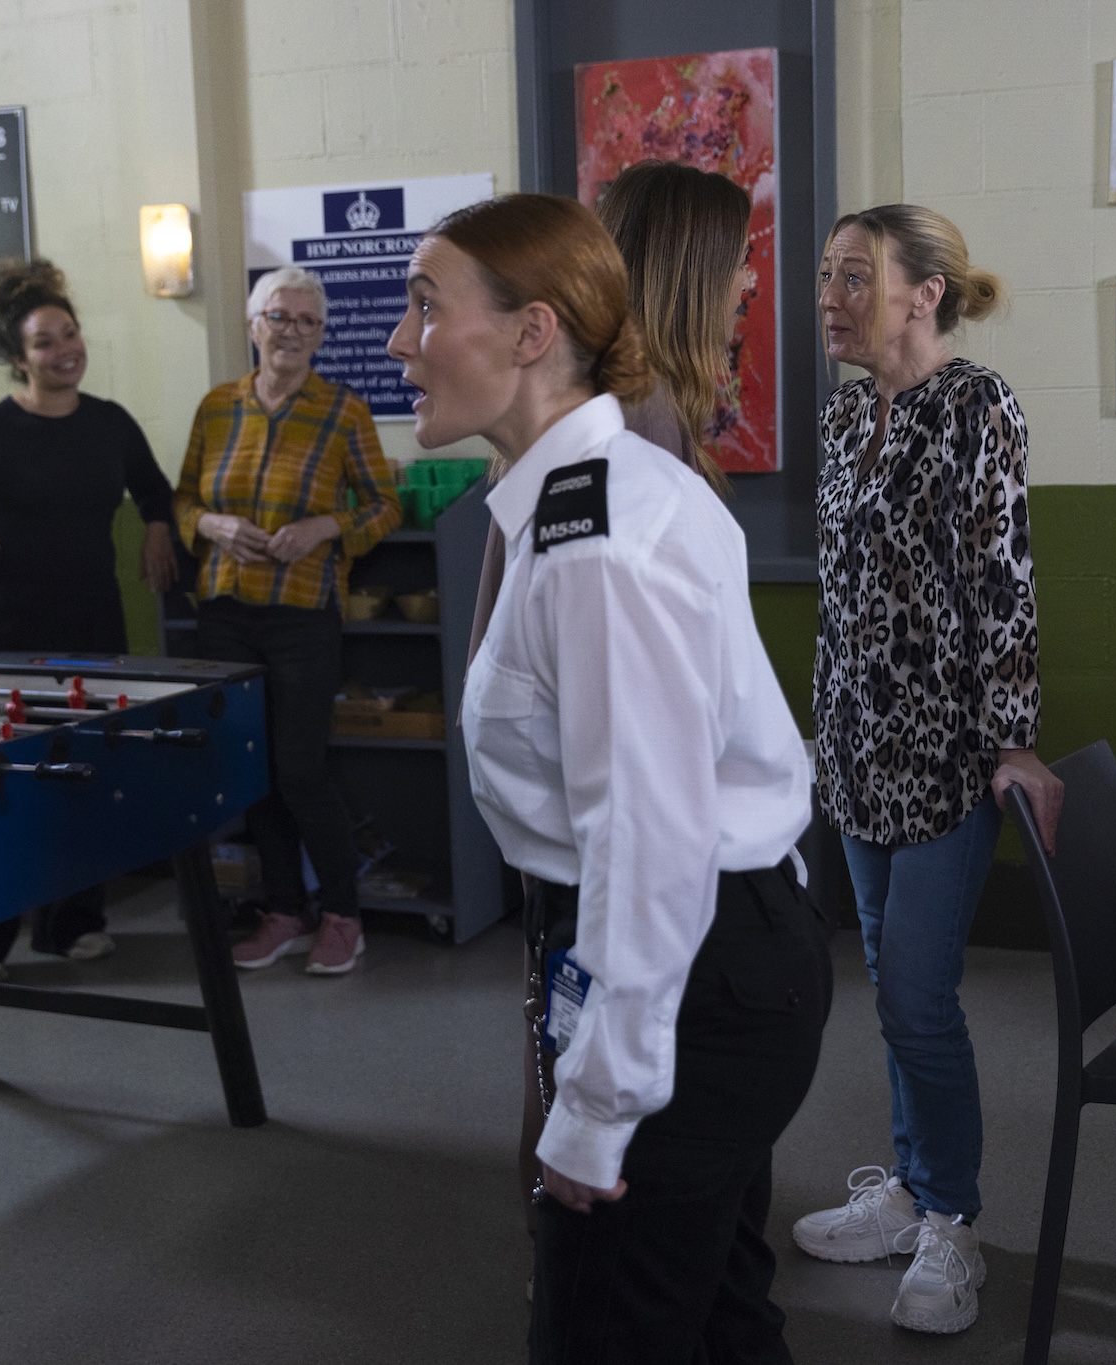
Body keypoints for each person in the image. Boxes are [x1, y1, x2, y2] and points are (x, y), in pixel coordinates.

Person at [395, 191, 830, 1363]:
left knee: (609, 1332)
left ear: (533, 333)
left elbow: (650, 842)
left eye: (427, 309)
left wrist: (595, 1111)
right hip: (691, 957)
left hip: (690, 969)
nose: (401, 342)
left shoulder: (597, 542)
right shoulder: (584, 500)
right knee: (719, 1309)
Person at [464, 163, 758, 1244]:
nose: (752, 283)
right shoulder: (627, 429)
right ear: (689, 270)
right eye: (739, 261)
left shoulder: (624, 415)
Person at [791, 204, 1063, 1335]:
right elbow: (842, 596)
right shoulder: (849, 413)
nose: (830, 297)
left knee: (916, 995)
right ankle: (907, 1190)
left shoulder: (977, 405)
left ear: (925, 293)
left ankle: (952, 1218)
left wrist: (1012, 740)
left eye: (857, 276)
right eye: (825, 276)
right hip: (854, 755)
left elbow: (1001, 581)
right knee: (897, 1005)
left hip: (946, 762)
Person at [0, 258, 176, 973]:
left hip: (93, 624)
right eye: (44, 341)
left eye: (70, 333)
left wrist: (157, 526)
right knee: (5, 776)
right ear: (16, 357)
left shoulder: (111, 424)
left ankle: (70, 922)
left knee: (84, 771)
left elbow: (156, 491)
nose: (65, 349)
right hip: (6, 631)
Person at [175, 265, 401, 976]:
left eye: (308, 321)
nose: (293, 331)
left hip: (303, 613)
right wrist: (209, 521)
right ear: (253, 325)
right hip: (224, 611)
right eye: (280, 317)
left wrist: (325, 528)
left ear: (322, 335)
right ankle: (281, 912)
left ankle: (342, 915)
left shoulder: (344, 412)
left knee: (301, 768)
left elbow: (383, 505)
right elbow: (182, 500)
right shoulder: (217, 408)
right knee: (253, 771)